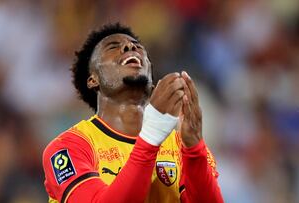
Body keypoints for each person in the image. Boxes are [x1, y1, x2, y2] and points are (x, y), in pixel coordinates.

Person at [42, 23, 223, 203]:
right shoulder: (67, 148)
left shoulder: (178, 145)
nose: (130, 47)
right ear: (92, 79)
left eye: (137, 47)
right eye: (113, 46)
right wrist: (152, 136)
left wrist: (194, 149)